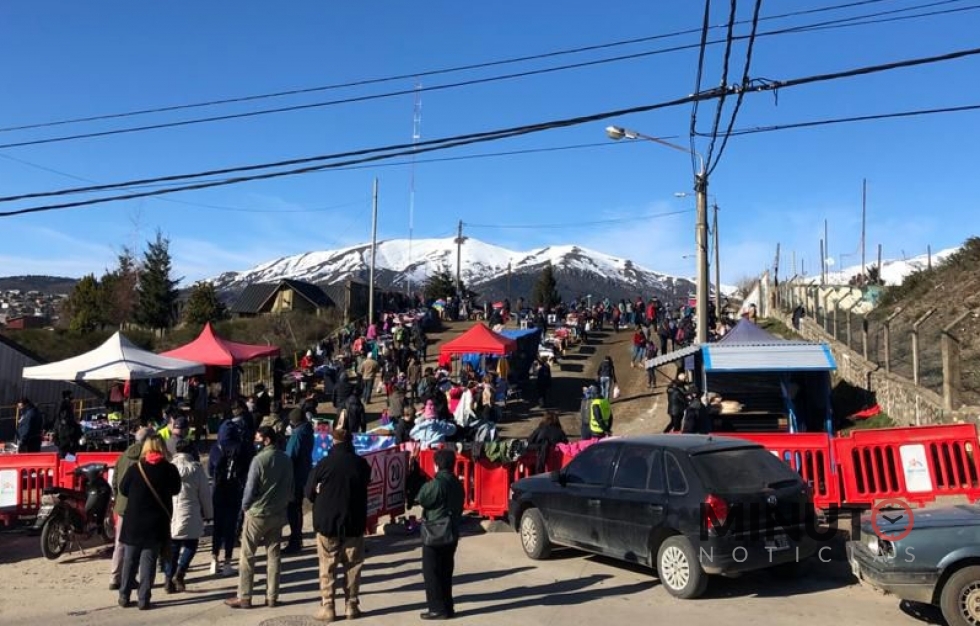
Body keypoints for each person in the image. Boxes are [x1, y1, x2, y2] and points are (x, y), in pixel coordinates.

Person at [305, 427, 372, 622]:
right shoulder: (361, 464)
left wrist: (319, 493)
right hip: (353, 521)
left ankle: (328, 606)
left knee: (327, 565)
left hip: (327, 522)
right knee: (353, 565)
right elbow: (366, 483)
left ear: (333, 442)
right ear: (350, 442)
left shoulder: (324, 464)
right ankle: (351, 605)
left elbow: (308, 492)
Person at [225, 426, 295, 609]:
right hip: (277, 512)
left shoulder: (258, 460)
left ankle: (245, 596)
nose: (255, 442)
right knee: (274, 555)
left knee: (248, 555)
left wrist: (245, 507)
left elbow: (250, 488)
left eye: (258, 439)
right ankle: (272, 596)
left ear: (266, 440)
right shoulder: (286, 459)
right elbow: (291, 487)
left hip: (257, 513)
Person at [118, 435, 181, 610]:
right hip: (156, 523)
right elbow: (176, 490)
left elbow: (123, 489)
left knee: (130, 560)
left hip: (134, 521)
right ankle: (144, 599)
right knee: (149, 561)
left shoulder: (135, 468)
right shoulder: (169, 469)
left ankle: (124, 595)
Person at [417, 448, 465, 620]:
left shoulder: (437, 483)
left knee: (432, 572)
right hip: (452, 530)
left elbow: (422, 498)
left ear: (437, 465)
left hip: (436, 531)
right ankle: (448, 606)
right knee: (446, 571)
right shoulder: (456, 482)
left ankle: (437, 608)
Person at [165, 438, 213, 594]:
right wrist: (209, 513)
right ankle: (180, 572)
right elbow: (204, 494)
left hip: (171, 512)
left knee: (172, 548)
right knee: (191, 545)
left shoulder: (169, 468)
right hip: (190, 511)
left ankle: (168, 580)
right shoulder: (196, 469)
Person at [110, 427, 153, 590]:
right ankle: (130, 578)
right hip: (139, 507)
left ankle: (115, 577)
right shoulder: (146, 458)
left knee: (120, 543)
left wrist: (118, 498)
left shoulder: (123, 456)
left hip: (122, 504)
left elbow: (115, 481)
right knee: (137, 546)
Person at [209, 420, 248, 577]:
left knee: (217, 527)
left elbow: (210, 470)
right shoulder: (242, 448)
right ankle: (227, 562)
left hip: (218, 490)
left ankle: (214, 559)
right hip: (235, 490)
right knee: (231, 527)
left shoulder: (215, 448)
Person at [284, 408, 314, 554]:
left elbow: (290, 457)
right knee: (297, 508)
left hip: (295, 476)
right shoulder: (308, 431)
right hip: (304, 473)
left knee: (293, 509)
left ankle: (295, 540)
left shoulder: (297, 435)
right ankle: (297, 538)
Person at [53, 391, 83, 458]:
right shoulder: (64, 404)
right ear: (67, 396)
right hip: (64, 438)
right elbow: (59, 415)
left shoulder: (69, 404)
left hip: (70, 437)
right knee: (65, 455)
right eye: (70, 395)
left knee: (71, 456)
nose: (72, 397)